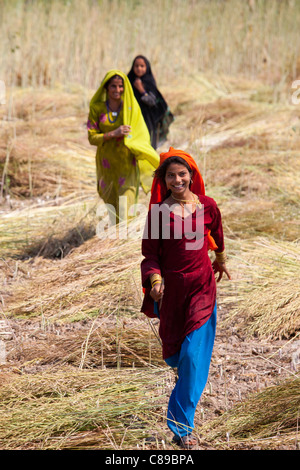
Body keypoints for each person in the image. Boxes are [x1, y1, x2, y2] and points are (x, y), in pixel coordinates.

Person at [140, 147, 231, 449]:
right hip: (174, 293)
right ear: (163, 180)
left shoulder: (207, 205)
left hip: (202, 287)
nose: (177, 179)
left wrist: (220, 258)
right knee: (176, 357)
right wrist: (155, 281)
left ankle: (181, 428)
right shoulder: (158, 214)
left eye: (182, 174)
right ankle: (187, 379)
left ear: (192, 176)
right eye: (171, 175)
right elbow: (150, 255)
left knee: (193, 357)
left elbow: (217, 232)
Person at [87, 70, 159, 224]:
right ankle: (115, 244)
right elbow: (92, 137)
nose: (117, 90)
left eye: (121, 86)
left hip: (127, 164)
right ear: (106, 88)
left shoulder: (131, 108)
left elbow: (141, 134)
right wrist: (114, 133)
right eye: (113, 86)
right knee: (113, 208)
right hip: (107, 165)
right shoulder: (96, 108)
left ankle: (124, 242)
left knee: (126, 208)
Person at [128, 55, 174, 149]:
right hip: (133, 117)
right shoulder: (129, 81)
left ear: (147, 67)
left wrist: (141, 90)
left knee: (148, 143)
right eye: (136, 66)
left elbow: (152, 101)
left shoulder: (149, 82)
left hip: (148, 119)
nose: (139, 68)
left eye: (142, 66)